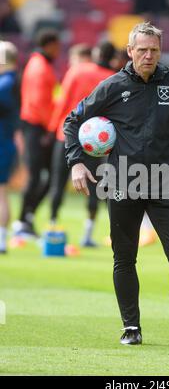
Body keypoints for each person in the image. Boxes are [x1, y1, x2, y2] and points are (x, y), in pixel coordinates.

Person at [64, 22, 169, 348]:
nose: (148, 55)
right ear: (130, 51)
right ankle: (131, 327)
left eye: (154, 50)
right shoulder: (112, 86)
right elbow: (73, 120)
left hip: (167, 183)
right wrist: (76, 162)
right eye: (142, 50)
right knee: (124, 258)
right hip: (122, 181)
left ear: (160, 51)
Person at [49, 44, 114, 247]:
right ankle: (87, 233)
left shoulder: (77, 70)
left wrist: (53, 127)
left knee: (58, 181)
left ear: (96, 54)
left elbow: (63, 101)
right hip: (94, 140)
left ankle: (51, 228)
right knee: (94, 185)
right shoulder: (112, 78)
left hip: (66, 135)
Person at [14, 30, 60, 237]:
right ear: (49, 45)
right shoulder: (40, 68)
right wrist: (50, 129)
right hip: (37, 127)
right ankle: (23, 220)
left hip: (37, 125)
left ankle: (27, 218)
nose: (59, 51)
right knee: (37, 176)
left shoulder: (37, 63)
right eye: (57, 46)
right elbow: (39, 103)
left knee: (45, 176)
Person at [0, 41, 19, 253]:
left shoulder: (6, 83)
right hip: (4, 142)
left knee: (1, 192)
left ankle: (2, 240)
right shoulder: (8, 81)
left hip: (2, 144)